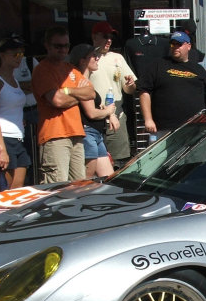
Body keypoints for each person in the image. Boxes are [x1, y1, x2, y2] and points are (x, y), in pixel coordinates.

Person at [31, 26, 94, 183]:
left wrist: (66, 90)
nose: (63, 50)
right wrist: (77, 93)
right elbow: (56, 100)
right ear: (47, 45)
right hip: (54, 135)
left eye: (66, 46)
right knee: (57, 189)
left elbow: (91, 93)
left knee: (79, 186)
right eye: (58, 46)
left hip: (76, 133)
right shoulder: (42, 69)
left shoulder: (70, 68)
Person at [138, 31, 206, 140]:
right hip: (164, 129)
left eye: (179, 44)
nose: (175, 47)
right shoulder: (158, 65)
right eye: (173, 44)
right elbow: (144, 91)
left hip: (194, 128)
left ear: (188, 46)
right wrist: (148, 119)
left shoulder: (199, 69)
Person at [0, 36, 31, 190]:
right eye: (15, 54)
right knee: (7, 190)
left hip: (18, 136)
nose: (19, 58)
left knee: (18, 188)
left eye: (21, 54)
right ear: (2, 55)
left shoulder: (14, 80)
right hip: (3, 137)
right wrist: (2, 149)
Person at [89, 21, 137, 168]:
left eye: (111, 37)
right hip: (93, 116)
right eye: (105, 36)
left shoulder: (118, 58)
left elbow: (130, 89)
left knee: (118, 163)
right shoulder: (88, 58)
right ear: (94, 37)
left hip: (117, 115)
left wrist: (130, 85)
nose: (109, 40)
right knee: (93, 162)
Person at [69, 44, 120, 179]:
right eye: (94, 56)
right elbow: (91, 112)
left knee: (109, 178)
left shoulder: (86, 82)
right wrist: (109, 111)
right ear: (82, 60)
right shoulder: (81, 82)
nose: (97, 59)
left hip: (96, 134)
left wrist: (109, 113)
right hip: (88, 133)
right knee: (86, 179)